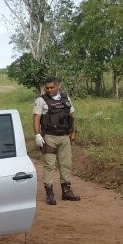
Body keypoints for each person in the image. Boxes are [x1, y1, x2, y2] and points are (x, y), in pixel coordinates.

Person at [33, 76, 81, 205]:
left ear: (58, 86)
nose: (49, 90)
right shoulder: (41, 100)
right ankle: (49, 194)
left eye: (52, 87)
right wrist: (37, 135)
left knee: (66, 164)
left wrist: (73, 132)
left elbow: (72, 116)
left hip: (65, 137)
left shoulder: (66, 98)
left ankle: (67, 191)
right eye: (47, 88)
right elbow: (36, 118)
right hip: (49, 137)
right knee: (49, 165)